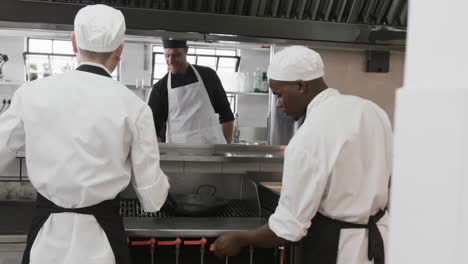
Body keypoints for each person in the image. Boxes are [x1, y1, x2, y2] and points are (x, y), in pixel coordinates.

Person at [0, 4, 170, 264]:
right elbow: (151, 196)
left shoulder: (31, 94)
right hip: (102, 240)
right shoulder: (134, 106)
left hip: (45, 241)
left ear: (73, 43)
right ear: (120, 50)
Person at [212, 46, 392, 264]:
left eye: (279, 94)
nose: (278, 104)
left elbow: (288, 228)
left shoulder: (309, 136)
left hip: (338, 251)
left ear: (300, 86)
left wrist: (240, 239)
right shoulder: (371, 110)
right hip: (382, 244)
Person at [148, 39, 234, 144]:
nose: (170, 61)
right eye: (167, 56)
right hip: (179, 155)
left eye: (176, 55)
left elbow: (227, 116)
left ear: (186, 50)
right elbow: (152, 130)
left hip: (212, 153)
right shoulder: (159, 88)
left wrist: (225, 149)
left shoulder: (208, 76)